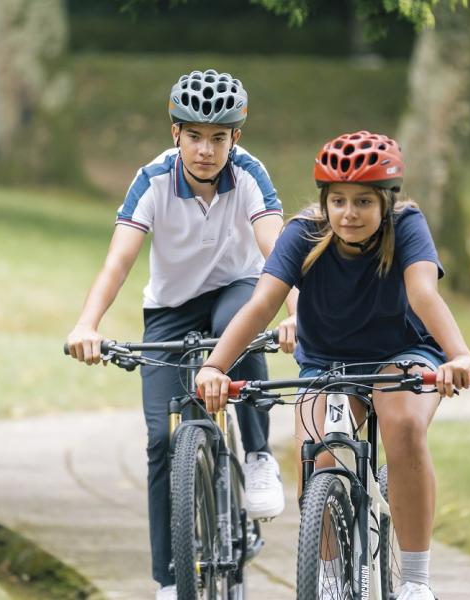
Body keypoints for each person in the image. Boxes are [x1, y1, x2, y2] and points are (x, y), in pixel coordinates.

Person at [195, 130, 470, 600]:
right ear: (324, 201)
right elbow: (263, 303)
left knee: (402, 422)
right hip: (328, 360)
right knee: (317, 450)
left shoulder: (407, 227)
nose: (349, 213)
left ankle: (415, 580)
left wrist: (460, 354)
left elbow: (423, 293)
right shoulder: (301, 233)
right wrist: (216, 366)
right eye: (339, 200)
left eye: (364, 201)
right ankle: (325, 574)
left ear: (387, 202)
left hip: (403, 352)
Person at [66, 69, 297, 600]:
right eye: (194, 135)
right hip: (169, 309)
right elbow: (118, 260)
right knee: (159, 441)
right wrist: (88, 324)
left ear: (236, 138)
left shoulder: (251, 174)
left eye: (219, 138)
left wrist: (295, 315)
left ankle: (258, 455)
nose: (206, 150)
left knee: (234, 326)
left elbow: (276, 253)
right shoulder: (151, 179)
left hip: (237, 291)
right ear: (175, 134)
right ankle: (170, 581)